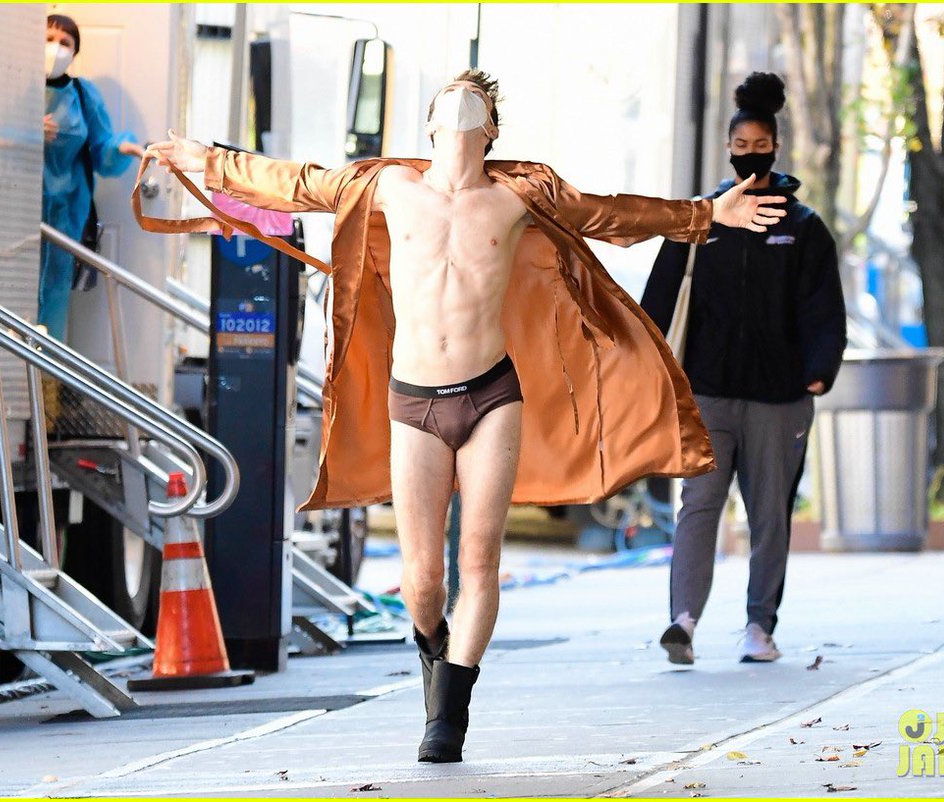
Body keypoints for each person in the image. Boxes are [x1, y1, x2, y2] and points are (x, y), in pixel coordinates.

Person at [139, 70, 788, 763]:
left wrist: (706, 215)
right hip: (414, 400)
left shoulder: (518, 196)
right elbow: (293, 181)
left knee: (479, 560)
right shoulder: (386, 186)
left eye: (475, 97)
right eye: (449, 94)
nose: (461, 96)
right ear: (430, 126)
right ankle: (432, 645)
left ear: (491, 132)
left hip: (492, 395)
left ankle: (448, 716)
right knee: (423, 580)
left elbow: (609, 214)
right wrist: (204, 158)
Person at [640, 72, 847, 666]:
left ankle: (760, 626)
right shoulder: (699, 221)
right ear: (727, 148)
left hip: (780, 398)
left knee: (769, 516)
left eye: (761, 146)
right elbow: (657, 303)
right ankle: (682, 621)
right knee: (699, 505)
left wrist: (818, 371)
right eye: (740, 146)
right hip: (706, 393)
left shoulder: (803, 227)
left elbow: (825, 310)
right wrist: (648, 368)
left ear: (776, 147)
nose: (751, 155)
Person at [39, 14, 143, 340]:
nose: (55, 48)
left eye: (65, 43)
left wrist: (122, 147)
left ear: (75, 52)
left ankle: (46, 366)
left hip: (67, 210)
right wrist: (29, 130)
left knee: (56, 287)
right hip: (18, 204)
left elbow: (102, 147)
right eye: (48, 38)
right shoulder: (16, 86)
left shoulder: (83, 95)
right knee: (11, 284)